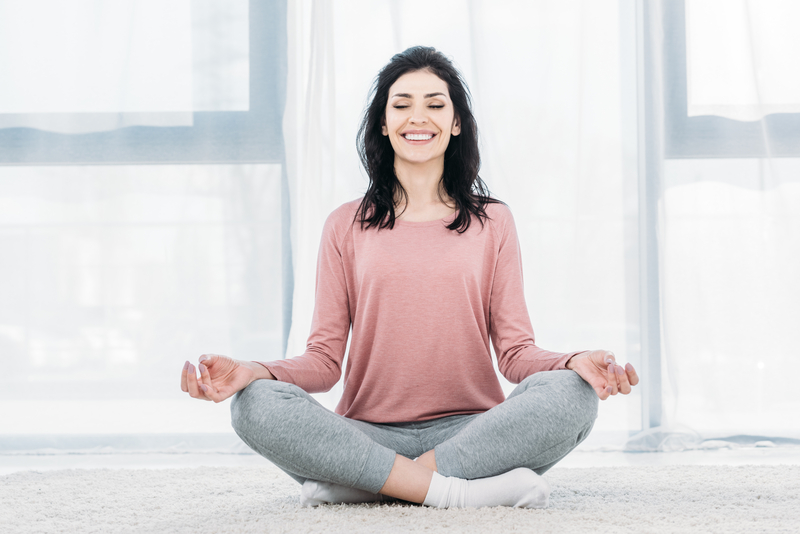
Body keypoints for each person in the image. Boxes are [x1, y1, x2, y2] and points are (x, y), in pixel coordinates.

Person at [180, 46, 638, 509]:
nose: (418, 117)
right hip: (366, 436)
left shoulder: (494, 221)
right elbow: (323, 361)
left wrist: (575, 360)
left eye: (435, 105)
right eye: (401, 105)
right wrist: (254, 372)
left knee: (572, 395)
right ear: (383, 122)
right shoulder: (345, 223)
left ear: (456, 122)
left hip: (471, 435)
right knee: (253, 404)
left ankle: (370, 487)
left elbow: (516, 354)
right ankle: (456, 493)